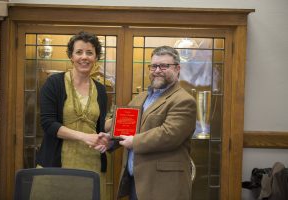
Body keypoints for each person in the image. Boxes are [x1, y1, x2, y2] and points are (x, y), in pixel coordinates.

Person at [103, 46, 197, 200]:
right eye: (153, 66)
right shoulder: (140, 97)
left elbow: (169, 134)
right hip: (137, 182)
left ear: (177, 69)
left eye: (164, 66)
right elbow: (127, 126)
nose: (157, 70)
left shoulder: (184, 100)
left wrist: (134, 141)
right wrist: (111, 141)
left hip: (164, 186)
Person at [36, 31, 110, 200]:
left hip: (91, 164)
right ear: (71, 56)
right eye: (79, 52)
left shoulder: (100, 89)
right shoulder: (54, 83)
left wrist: (119, 121)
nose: (84, 57)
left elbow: (98, 126)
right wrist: (84, 137)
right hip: (56, 164)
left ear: (96, 57)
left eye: (90, 53)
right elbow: (48, 124)